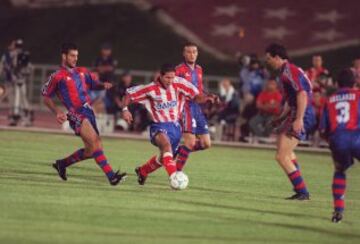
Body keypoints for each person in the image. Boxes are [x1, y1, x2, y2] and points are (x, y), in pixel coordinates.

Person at [41, 42, 126, 186]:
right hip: (76, 112)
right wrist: (57, 111)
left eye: (77, 56)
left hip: (88, 110)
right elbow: (45, 97)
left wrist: (103, 85)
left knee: (92, 149)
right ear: (64, 56)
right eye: (72, 56)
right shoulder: (57, 76)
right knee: (95, 142)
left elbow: (94, 84)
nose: (75, 59)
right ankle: (111, 176)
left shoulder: (82, 71)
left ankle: (62, 164)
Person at [121, 63, 217, 186]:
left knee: (164, 158)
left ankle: (143, 170)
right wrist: (125, 109)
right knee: (166, 146)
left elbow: (196, 96)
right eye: (167, 78)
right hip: (159, 126)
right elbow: (129, 94)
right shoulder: (150, 89)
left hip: (175, 127)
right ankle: (174, 177)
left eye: (172, 77)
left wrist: (207, 98)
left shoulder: (179, 83)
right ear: (160, 76)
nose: (170, 81)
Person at [265, 43, 316, 200]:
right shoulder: (284, 72)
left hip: (303, 113)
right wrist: (280, 118)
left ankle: (302, 192)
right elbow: (290, 99)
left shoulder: (289, 71)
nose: (267, 61)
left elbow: (302, 95)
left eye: (269, 58)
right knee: (286, 152)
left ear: (277, 57)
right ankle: (300, 189)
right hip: (297, 112)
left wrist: (299, 119)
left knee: (281, 156)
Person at [319, 69, 360, 223]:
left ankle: (338, 211)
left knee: (339, 170)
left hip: (338, 140)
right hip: (357, 137)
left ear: (337, 84)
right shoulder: (358, 95)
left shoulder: (329, 100)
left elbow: (323, 129)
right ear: (354, 83)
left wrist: (333, 143)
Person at [174, 43, 211, 171]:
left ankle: (178, 151)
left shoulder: (199, 69)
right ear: (184, 54)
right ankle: (176, 173)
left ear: (197, 53)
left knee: (206, 144)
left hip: (196, 107)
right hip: (185, 107)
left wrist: (209, 96)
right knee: (190, 142)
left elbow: (199, 90)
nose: (192, 54)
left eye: (194, 52)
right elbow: (173, 87)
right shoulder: (178, 70)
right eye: (189, 52)